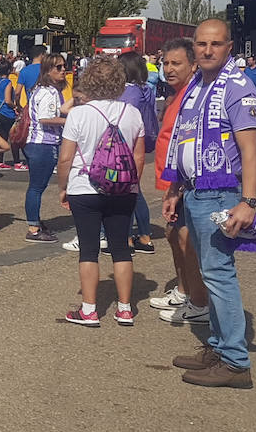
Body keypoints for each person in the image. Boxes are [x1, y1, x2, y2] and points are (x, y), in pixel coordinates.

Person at [159, 19, 256, 389]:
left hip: (219, 192)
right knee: (209, 271)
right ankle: (219, 347)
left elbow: (249, 149)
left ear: (229, 47)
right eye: (201, 43)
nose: (207, 50)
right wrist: (175, 188)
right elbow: (185, 141)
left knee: (219, 274)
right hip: (195, 190)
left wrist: (247, 201)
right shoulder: (199, 86)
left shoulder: (236, 87)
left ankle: (235, 361)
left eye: (215, 44)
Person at [56, 55, 146, 327]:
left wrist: (63, 187)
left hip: (84, 187)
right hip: (123, 189)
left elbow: (65, 159)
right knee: (120, 248)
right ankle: (125, 308)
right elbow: (138, 157)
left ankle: (89, 309)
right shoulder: (132, 113)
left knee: (89, 249)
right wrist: (131, 184)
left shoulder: (79, 115)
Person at [150, 38, 210, 326]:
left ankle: (200, 302)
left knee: (186, 240)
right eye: (166, 63)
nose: (169, 69)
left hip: (184, 182)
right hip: (171, 182)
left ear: (192, 65)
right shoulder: (176, 94)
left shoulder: (194, 95)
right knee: (174, 237)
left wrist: (179, 185)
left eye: (176, 63)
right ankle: (186, 291)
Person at [23, 54, 70, 242]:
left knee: (37, 186)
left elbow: (58, 110)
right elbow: (45, 118)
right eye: (58, 67)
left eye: (64, 66)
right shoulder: (47, 92)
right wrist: (69, 121)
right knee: (36, 187)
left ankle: (35, 222)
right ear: (48, 71)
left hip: (41, 142)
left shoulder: (47, 90)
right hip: (43, 142)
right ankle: (33, 227)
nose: (63, 70)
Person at [117, 52, 160, 255]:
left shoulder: (128, 92)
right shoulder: (146, 90)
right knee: (135, 190)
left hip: (124, 143)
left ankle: (126, 239)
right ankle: (144, 236)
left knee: (126, 192)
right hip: (141, 142)